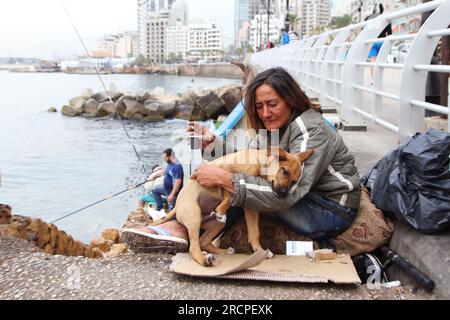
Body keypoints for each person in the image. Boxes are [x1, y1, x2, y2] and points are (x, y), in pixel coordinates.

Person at [122, 67, 361, 251]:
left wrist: (228, 181)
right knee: (233, 184)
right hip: (306, 199)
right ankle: (184, 224)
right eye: (259, 106)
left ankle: (180, 230)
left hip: (328, 209)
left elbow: (289, 192)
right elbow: (247, 163)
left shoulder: (311, 130)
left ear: (291, 99)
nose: (265, 113)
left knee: (236, 189)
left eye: (272, 104)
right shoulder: (271, 130)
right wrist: (213, 146)